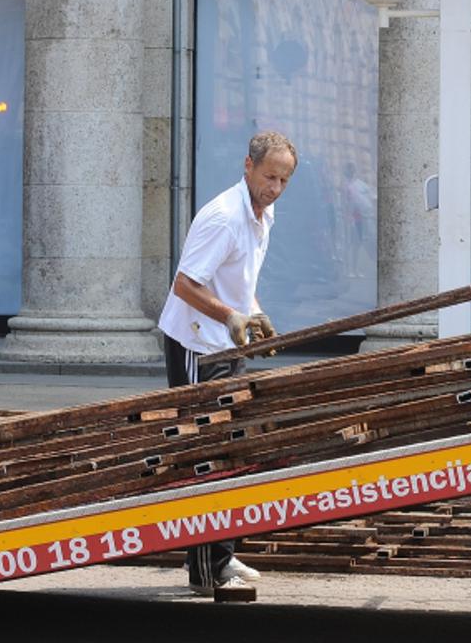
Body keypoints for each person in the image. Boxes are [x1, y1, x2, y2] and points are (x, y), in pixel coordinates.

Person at [157, 130, 296, 597]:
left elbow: (236, 281)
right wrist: (232, 316)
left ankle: (222, 554)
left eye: (284, 180)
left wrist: (253, 314)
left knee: (231, 445)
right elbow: (185, 284)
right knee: (205, 453)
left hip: (226, 342)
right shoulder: (224, 217)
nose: (275, 188)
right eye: (269, 177)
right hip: (197, 343)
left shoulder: (263, 214)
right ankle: (204, 569)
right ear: (248, 166)